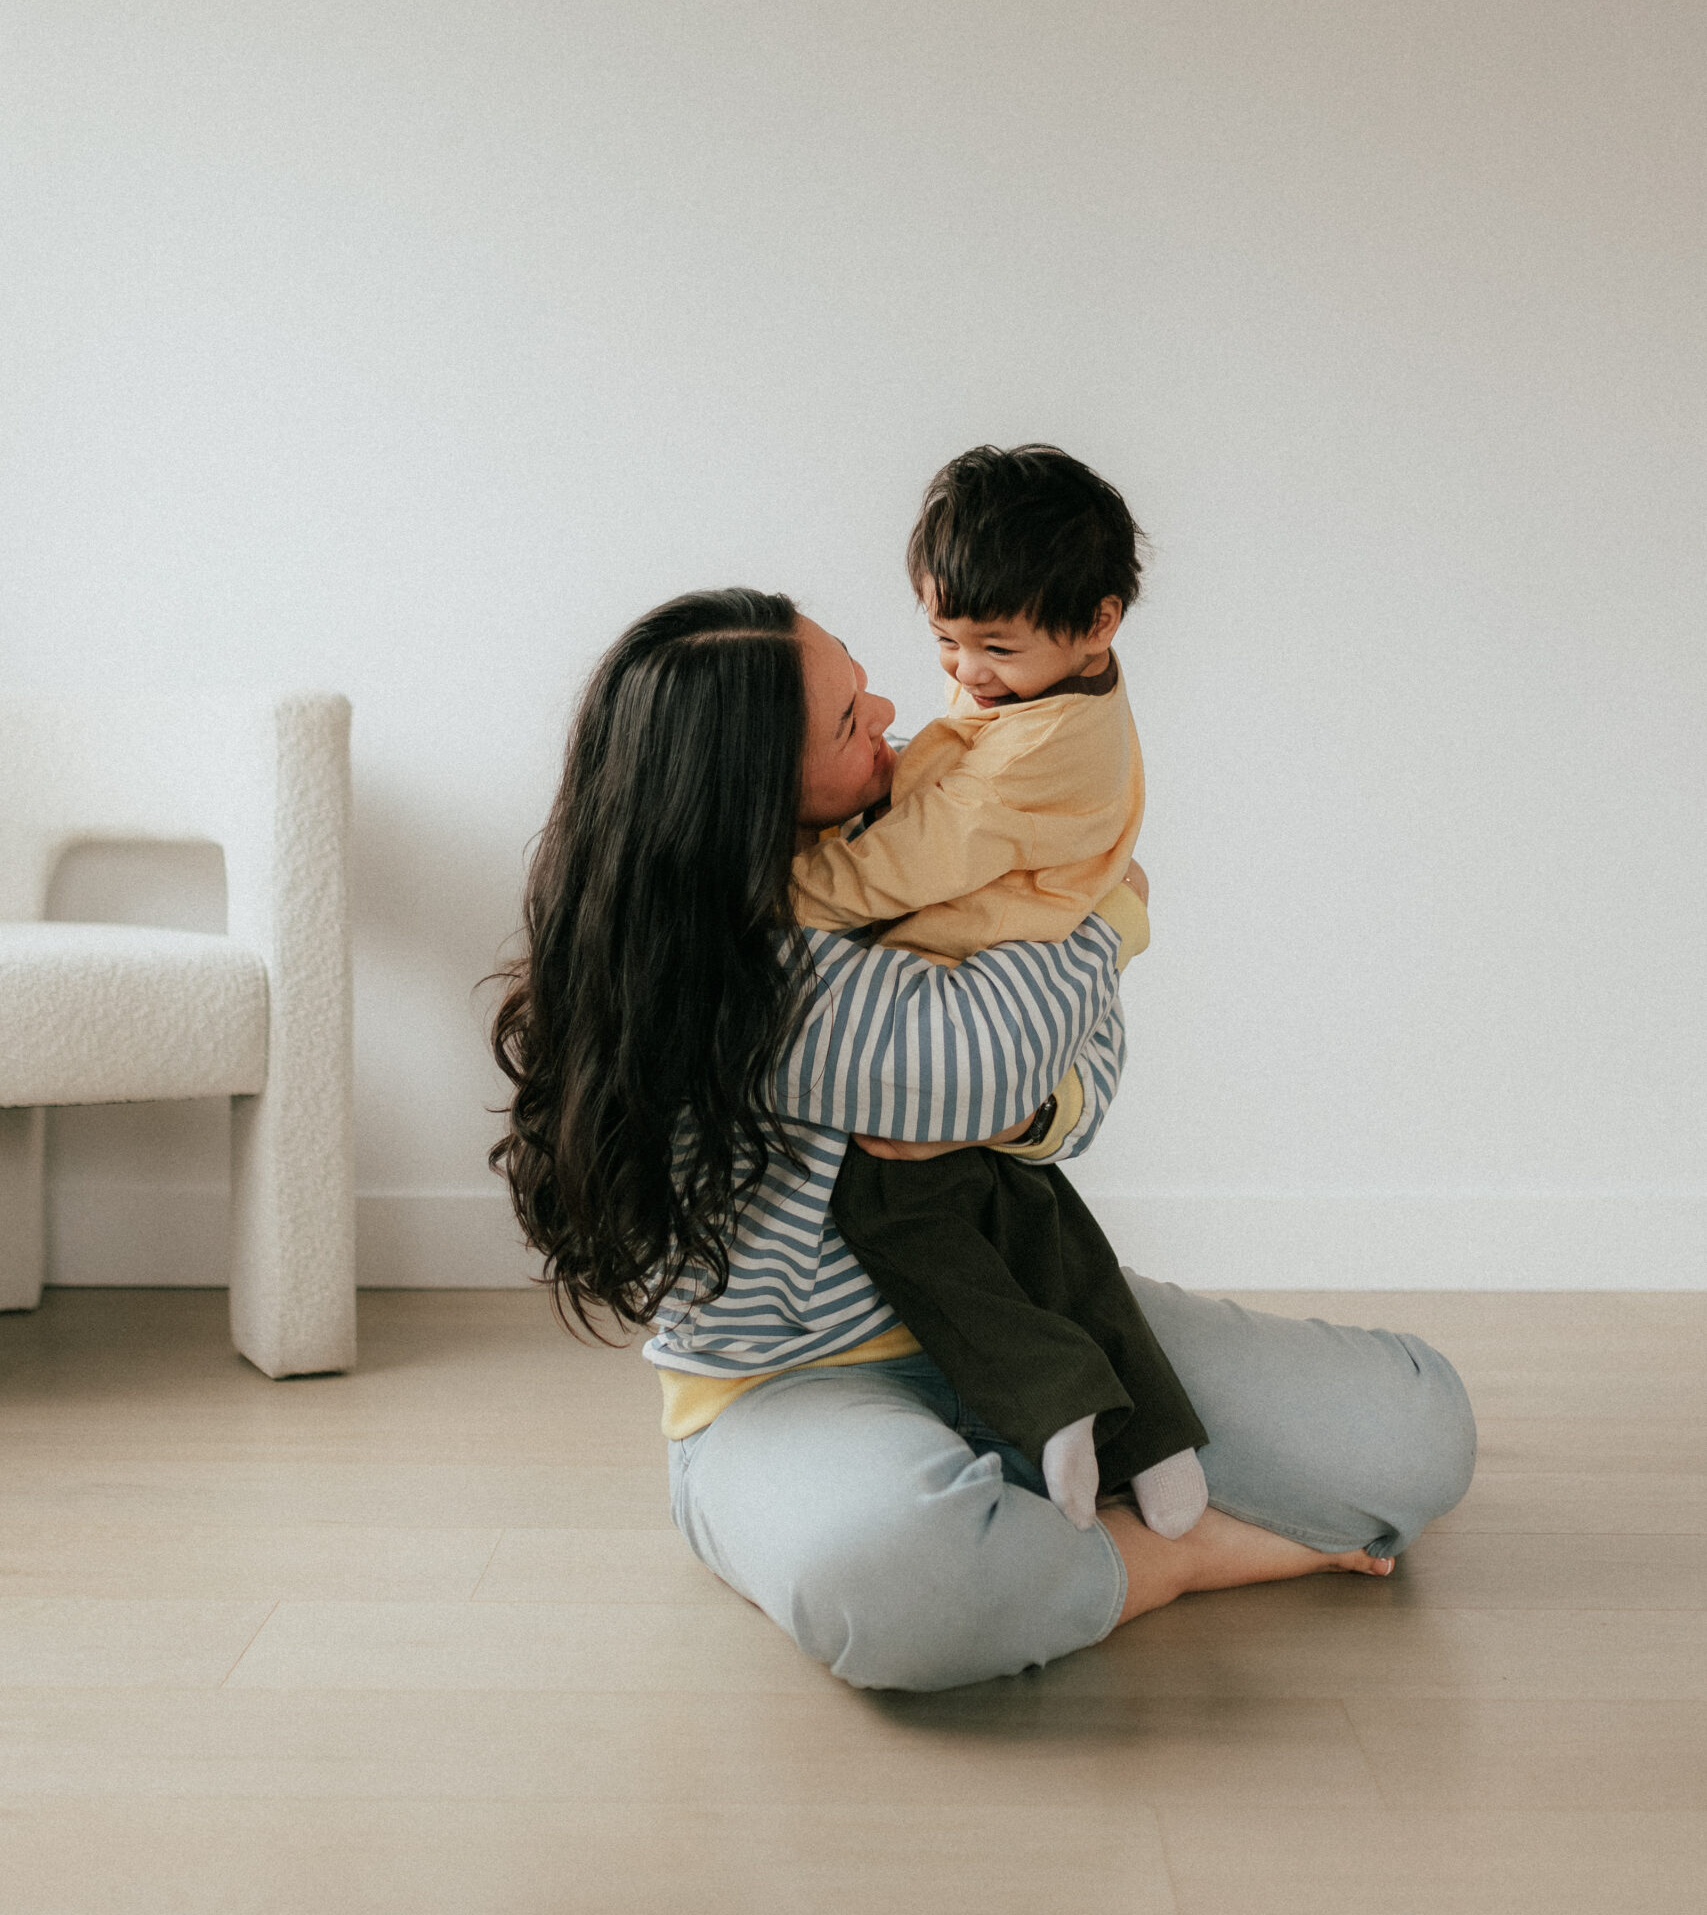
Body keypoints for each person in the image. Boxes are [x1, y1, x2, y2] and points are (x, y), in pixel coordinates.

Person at [491, 587, 1476, 1693]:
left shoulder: (928, 811)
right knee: (897, 1581)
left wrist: (1022, 1107)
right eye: (847, 720)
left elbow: (1066, 1080)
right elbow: (1002, 1051)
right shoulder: (717, 973)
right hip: (794, 1385)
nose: (892, 712)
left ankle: (1055, 1514)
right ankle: (1180, 1550)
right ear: (747, 795)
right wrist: (1106, 919)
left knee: (1415, 1434)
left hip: (1028, 1300)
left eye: (862, 682)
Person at [794, 445, 1209, 1539]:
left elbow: (908, 859)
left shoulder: (1043, 751)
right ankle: (1158, 1436)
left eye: (993, 648)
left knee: (906, 1212)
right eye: (943, 639)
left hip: (969, 971)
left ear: (1099, 622)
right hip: (1009, 978)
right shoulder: (1053, 691)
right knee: (1042, 1222)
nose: (962, 673)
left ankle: (1055, 1402)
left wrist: (783, 890)